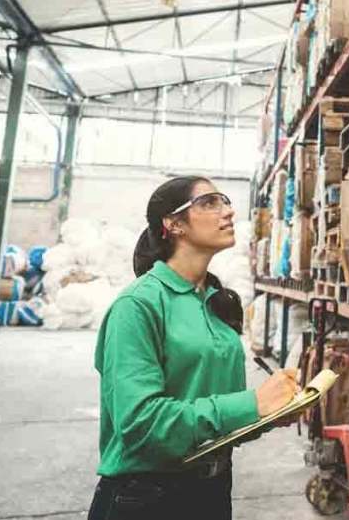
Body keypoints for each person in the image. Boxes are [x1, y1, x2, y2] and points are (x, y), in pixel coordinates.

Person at [87, 176, 299, 520]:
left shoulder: (217, 302)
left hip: (212, 491)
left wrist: (268, 413)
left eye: (226, 201)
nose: (228, 211)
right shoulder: (138, 305)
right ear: (173, 224)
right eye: (210, 203)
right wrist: (251, 403)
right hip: (147, 499)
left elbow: (214, 411)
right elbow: (141, 425)